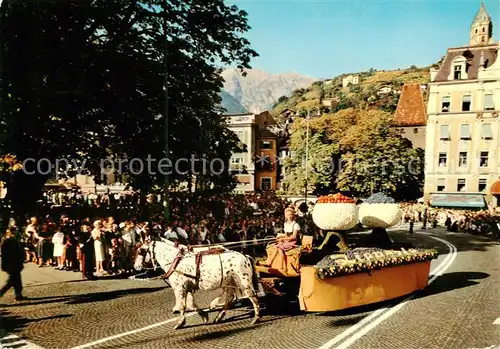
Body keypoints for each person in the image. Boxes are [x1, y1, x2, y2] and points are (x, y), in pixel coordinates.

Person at [0, 229, 27, 301]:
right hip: (12, 265)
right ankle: (1, 292)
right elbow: (10, 255)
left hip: (14, 264)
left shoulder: (12, 241)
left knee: (17, 280)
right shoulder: (8, 241)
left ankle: (18, 295)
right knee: (11, 281)